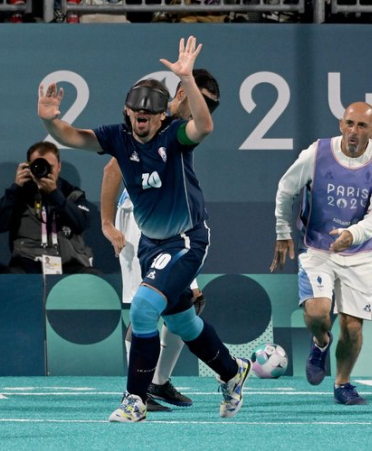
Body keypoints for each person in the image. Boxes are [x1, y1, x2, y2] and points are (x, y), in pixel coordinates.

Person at [38, 36, 251, 423]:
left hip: (187, 239)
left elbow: (203, 125)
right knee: (183, 322)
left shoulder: (175, 137)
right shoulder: (117, 138)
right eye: (136, 112)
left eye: (149, 115)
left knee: (144, 307)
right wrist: (49, 120)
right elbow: (72, 137)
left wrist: (186, 77)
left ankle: (135, 400)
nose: (141, 118)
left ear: (160, 118)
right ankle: (233, 373)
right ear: (127, 112)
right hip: (152, 242)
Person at [100, 68, 220, 413]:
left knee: (187, 303)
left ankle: (158, 381)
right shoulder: (147, 121)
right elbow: (111, 171)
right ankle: (139, 391)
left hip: (177, 229)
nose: (204, 110)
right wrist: (108, 223)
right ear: (181, 93)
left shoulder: (179, 132)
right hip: (139, 224)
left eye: (211, 105)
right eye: (201, 101)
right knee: (144, 307)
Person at [270, 101, 372, 405]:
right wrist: (283, 231)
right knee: (316, 313)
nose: (354, 131)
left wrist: (353, 234)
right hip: (317, 248)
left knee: (352, 327)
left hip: (360, 252)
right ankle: (320, 341)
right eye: (350, 124)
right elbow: (287, 187)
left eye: (362, 126)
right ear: (341, 124)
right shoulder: (317, 153)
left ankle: (342, 383)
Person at [0, 141, 98, 275]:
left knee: (93, 276)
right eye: (39, 166)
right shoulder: (18, 195)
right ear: (29, 167)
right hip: (27, 264)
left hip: (69, 264)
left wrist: (55, 195)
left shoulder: (73, 194)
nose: (45, 172)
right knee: (12, 276)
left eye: (50, 166)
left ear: (59, 166)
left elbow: (81, 223)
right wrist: (15, 188)